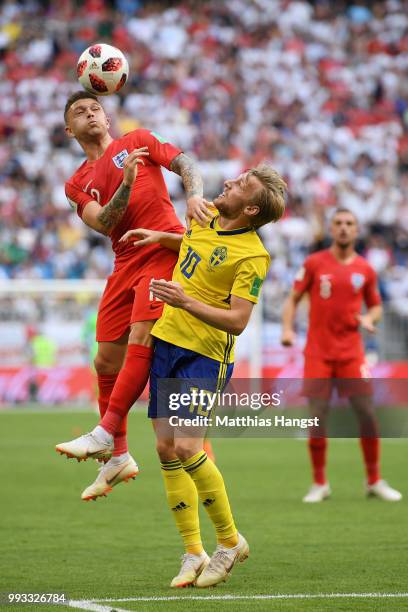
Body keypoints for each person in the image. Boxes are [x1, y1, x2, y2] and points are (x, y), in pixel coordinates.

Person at [121, 165, 285, 588]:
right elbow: (198, 246)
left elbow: (238, 321)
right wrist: (164, 239)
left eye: (241, 184)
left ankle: (229, 543)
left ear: (250, 208)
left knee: (189, 446)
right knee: (165, 447)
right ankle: (193, 551)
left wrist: (185, 300)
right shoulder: (206, 217)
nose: (230, 181)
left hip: (204, 357)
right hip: (168, 342)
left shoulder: (253, 255)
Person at [56, 91, 211, 498]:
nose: (90, 114)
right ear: (68, 129)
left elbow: (185, 163)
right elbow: (104, 220)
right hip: (125, 262)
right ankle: (119, 456)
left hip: (163, 250)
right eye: (79, 112)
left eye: (95, 108)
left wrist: (193, 193)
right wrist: (124, 185)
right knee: (104, 358)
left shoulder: (138, 139)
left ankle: (105, 431)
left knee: (142, 336)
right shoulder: (76, 183)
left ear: (107, 118)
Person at [281, 208, 402, 503]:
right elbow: (293, 298)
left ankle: (374, 479)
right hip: (319, 352)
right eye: (339, 224)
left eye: (349, 223)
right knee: (318, 416)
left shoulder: (366, 269)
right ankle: (319, 483)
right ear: (331, 230)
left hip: (351, 353)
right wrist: (287, 329)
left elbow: (374, 305)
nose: (344, 228)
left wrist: (370, 319)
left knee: (367, 413)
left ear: (357, 230)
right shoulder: (313, 263)